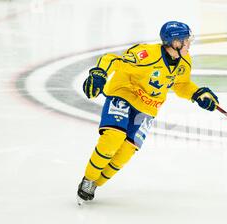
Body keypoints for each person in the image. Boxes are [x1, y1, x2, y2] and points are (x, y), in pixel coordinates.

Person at [77, 21, 219, 204]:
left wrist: (197, 93)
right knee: (112, 138)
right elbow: (112, 59)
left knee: (126, 152)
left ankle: (97, 183)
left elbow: (181, 85)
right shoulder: (146, 55)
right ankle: (88, 179)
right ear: (175, 43)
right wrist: (98, 74)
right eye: (186, 40)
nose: (189, 43)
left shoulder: (185, 61)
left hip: (148, 108)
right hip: (124, 94)